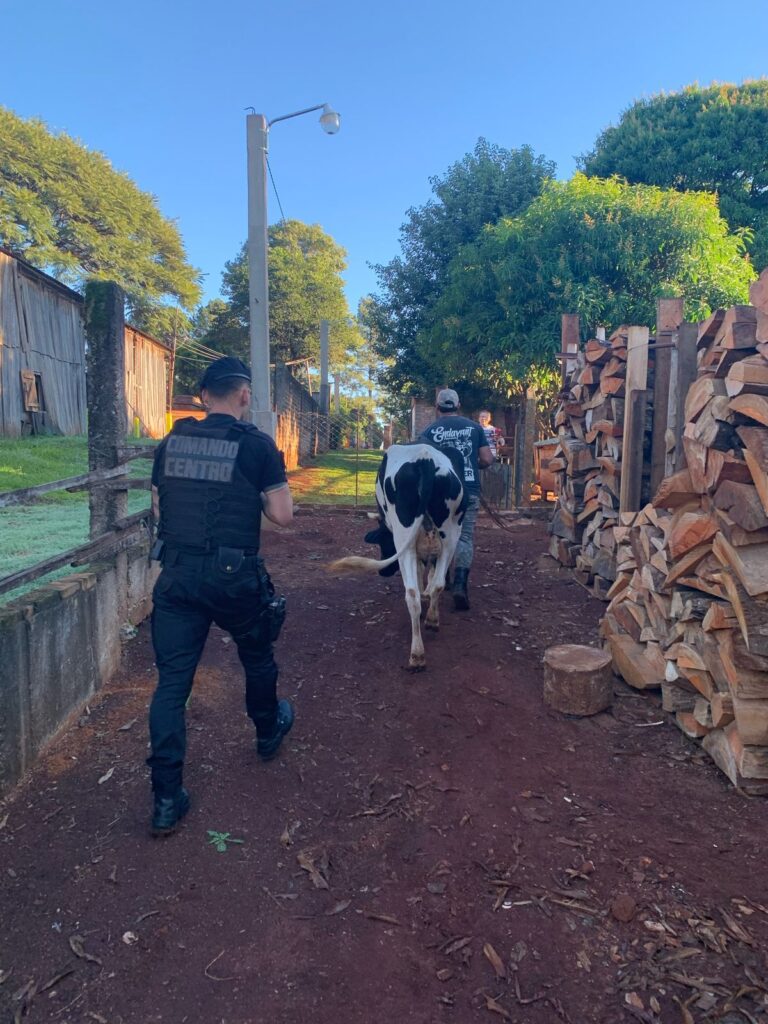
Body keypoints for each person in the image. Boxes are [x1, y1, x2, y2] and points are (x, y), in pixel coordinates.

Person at [147, 356, 294, 837]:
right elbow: (282, 515)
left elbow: (158, 505)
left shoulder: (171, 441)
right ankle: (268, 731)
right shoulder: (255, 445)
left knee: (172, 685)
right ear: (245, 395)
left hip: (177, 576)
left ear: (204, 396)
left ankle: (167, 799)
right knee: (256, 654)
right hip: (232, 578)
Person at [419, 388, 493, 610]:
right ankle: (460, 584)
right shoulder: (474, 428)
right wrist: (471, 464)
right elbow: (488, 459)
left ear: (437, 407)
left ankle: (442, 579)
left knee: (438, 536)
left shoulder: (429, 432)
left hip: (436, 495)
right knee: (464, 536)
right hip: (467, 489)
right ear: (458, 405)